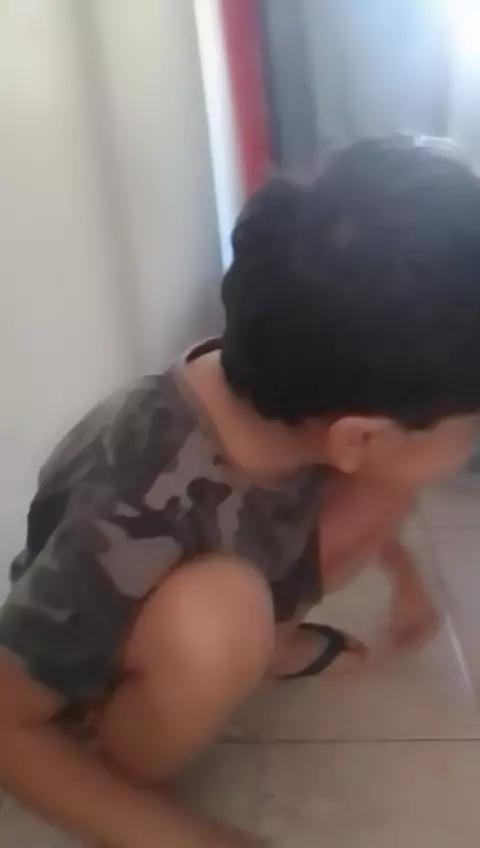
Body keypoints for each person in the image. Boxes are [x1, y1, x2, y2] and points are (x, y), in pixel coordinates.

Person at [1, 135, 480, 848]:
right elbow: (8, 725)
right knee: (220, 619)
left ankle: (265, 644)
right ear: (356, 437)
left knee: (382, 492)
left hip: (245, 558)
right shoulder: (131, 501)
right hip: (112, 667)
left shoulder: (294, 378)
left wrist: (404, 575)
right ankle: (128, 755)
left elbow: (377, 478)